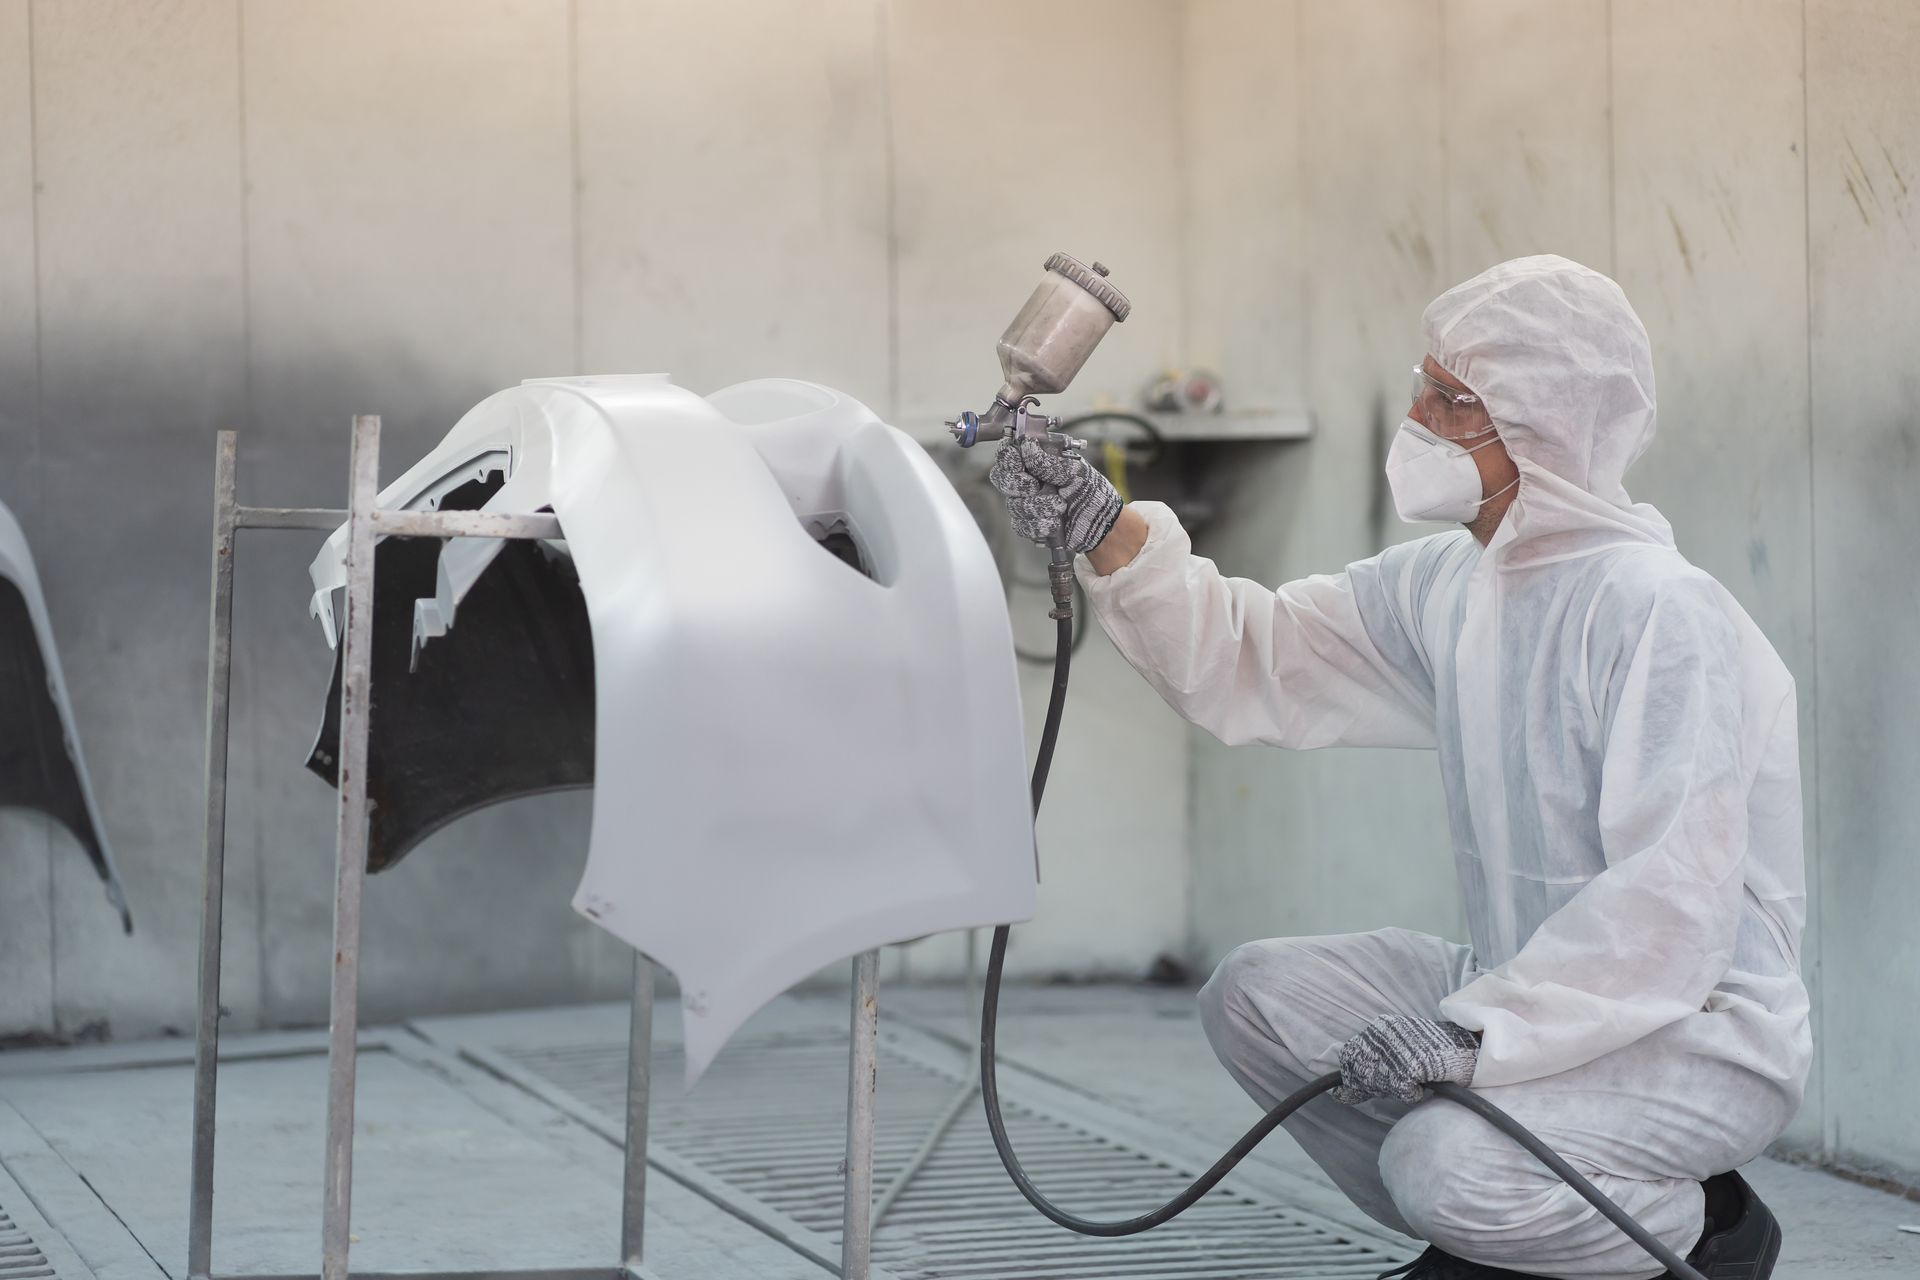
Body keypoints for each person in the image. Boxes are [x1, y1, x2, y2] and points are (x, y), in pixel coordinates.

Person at [989, 255, 1808, 1280]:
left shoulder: (1656, 610)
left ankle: (1705, 1228)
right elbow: (1262, 653)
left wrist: (1475, 1037)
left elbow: (1669, 912)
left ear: (1547, 428)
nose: (1416, 415)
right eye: (1424, 382)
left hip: (1688, 1029)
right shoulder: (1458, 584)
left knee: (1438, 1157)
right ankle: (1514, 1234)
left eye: (1454, 400)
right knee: (1259, 998)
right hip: (1533, 989)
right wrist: (1110, 535)